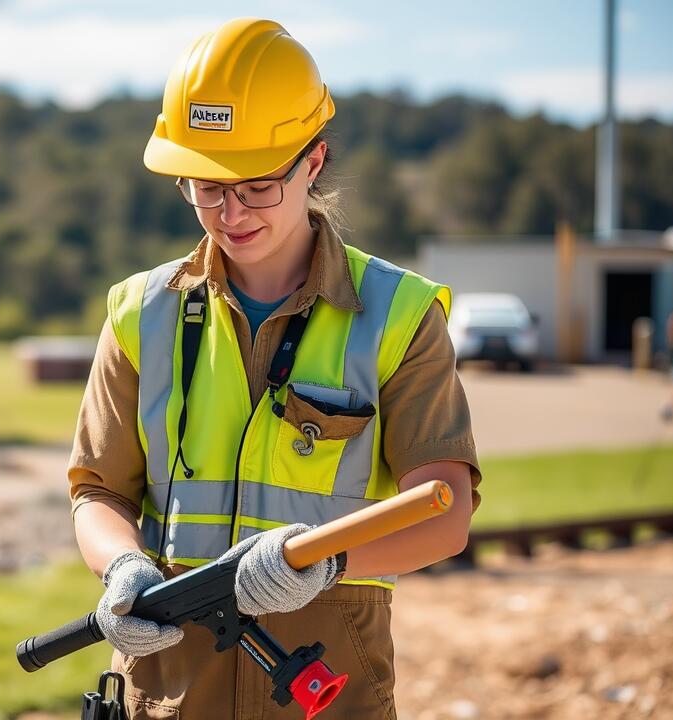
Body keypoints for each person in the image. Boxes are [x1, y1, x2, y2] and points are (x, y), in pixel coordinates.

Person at [67, 19, 481, 719]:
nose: (229, 213)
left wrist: (327, 562)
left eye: (256, 185)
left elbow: (445, 512)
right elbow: (97, 492)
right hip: (166, 696)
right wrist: (122, 567)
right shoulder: (142, 314)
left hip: (326, 696)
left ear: (313, 161)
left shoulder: (398, 317)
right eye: (204, 186)